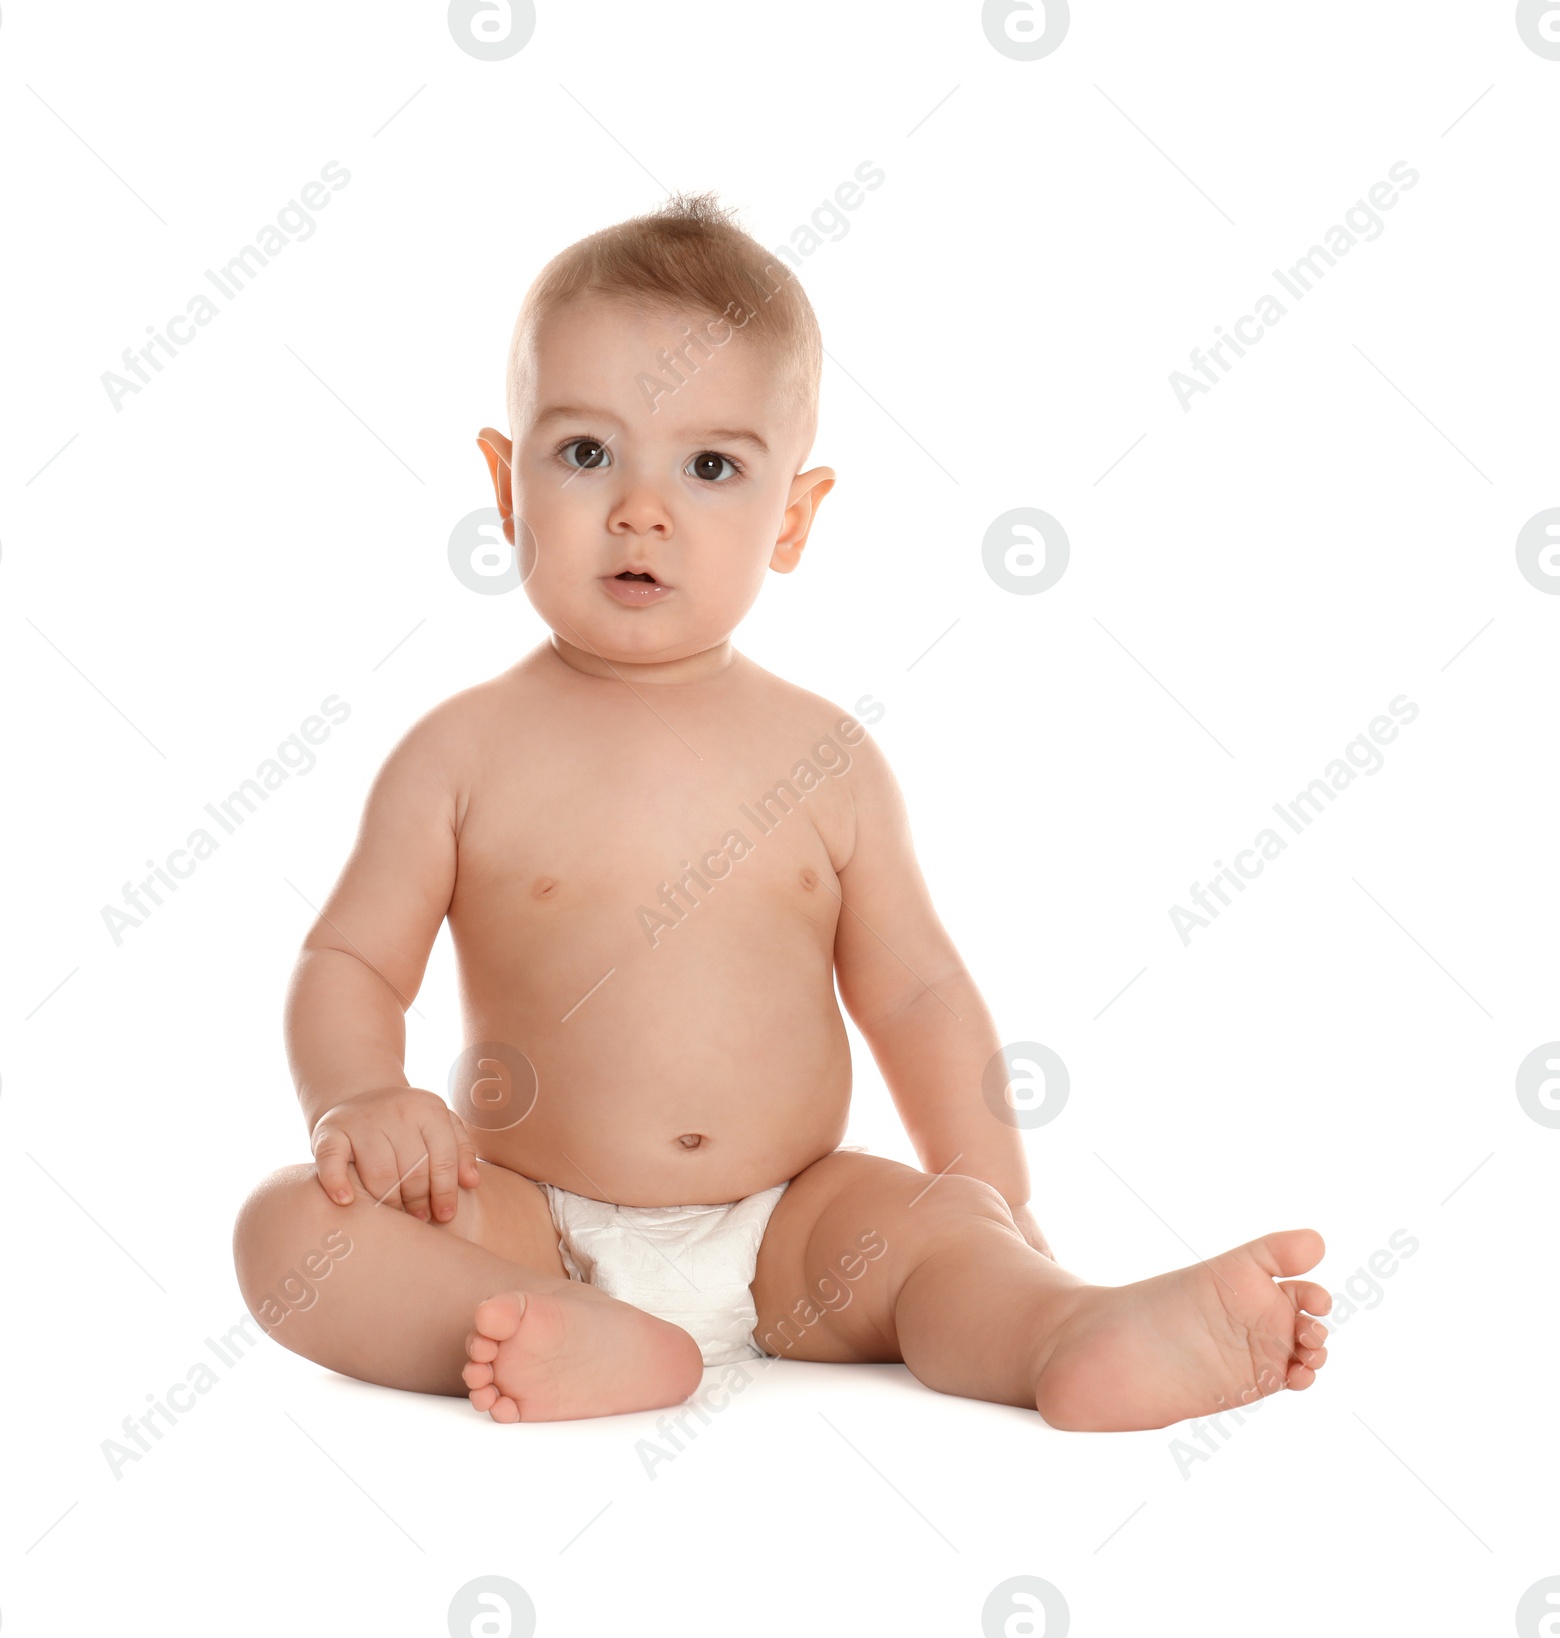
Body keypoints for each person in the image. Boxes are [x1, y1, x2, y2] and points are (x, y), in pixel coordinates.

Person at [233, 192, 1330, 1428]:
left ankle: (1060, 1325)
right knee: (286, 1231)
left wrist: (997, 1211)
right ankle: (568, 1333)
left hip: (794, 1232)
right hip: (522, 1218)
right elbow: (348, 962)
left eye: (710, 467)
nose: (640, 509)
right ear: (504, 483)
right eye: (587, 454)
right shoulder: (460, 753)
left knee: (936, 1232)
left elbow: (918, 996)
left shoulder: (826, 759)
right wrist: (358, 1101)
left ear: (792, 518)